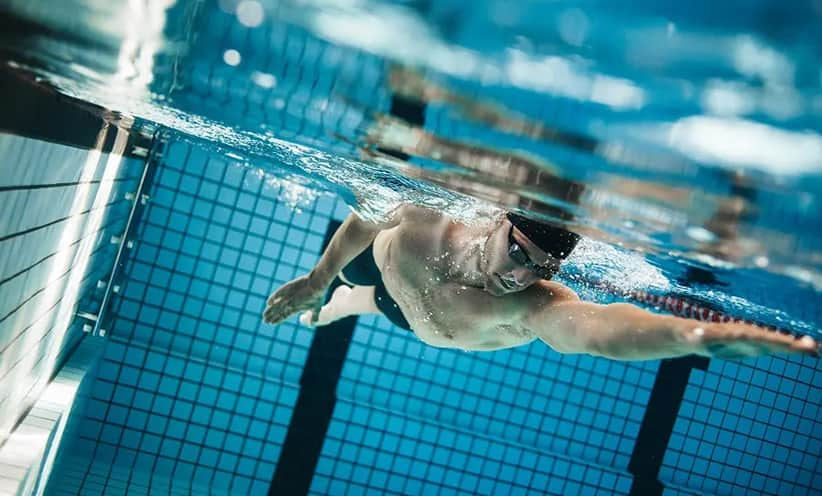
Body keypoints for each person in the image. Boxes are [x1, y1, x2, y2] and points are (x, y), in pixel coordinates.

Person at [263, 205, 819, 361]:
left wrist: (687, 337)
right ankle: (335, 298)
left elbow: (598, 330)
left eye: (538, 268)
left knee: (376, 307)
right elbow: (365, 217)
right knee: (356, 283)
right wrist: (316, 279)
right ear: (501, 222)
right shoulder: (425, 221)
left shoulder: (534, 304)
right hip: (381, 265)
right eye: (517, 253)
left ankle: (344, 304)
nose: (518, 275)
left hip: (408, 313)